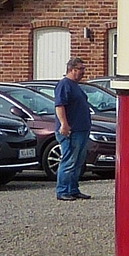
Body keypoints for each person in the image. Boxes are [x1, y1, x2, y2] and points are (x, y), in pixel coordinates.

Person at [54, 57, 92, 201]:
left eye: (83, 69)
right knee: (69, 161)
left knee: (78, 162)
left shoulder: (76, 86)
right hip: (71, 131)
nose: (83, 72)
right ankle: (63, 191)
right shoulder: (64, 85)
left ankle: (73, 190)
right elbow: (60, 106)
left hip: (82, 130)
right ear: (71, 69)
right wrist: (64, 124)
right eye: (80, 69)